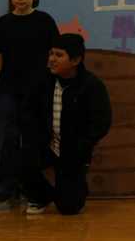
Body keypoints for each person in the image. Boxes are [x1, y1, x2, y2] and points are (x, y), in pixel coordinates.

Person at [0, 0, 60, 205]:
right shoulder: (3, 23)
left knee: (34, 140)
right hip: (9, 90)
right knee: (6, 139)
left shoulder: (45, 21)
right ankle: (6, 187)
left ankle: (32, 189)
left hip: (39, 91)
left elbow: (54, 56)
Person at [20, 34, 112, 215]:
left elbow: (102, 122)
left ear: (76, 60)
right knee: (16, 159)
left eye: (59, 55)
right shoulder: (41, 81)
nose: (52, 59)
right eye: (51, 54)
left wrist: (83, 145)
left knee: (69, 207)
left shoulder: (92, 86)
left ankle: (72, 189)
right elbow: (27, 112)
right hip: (45, 146)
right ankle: (41, 196)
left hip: (74, 151)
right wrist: (35, 138)